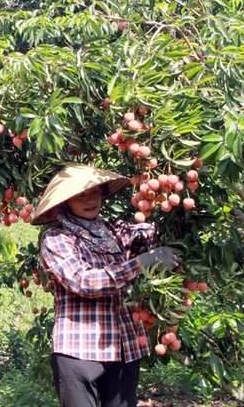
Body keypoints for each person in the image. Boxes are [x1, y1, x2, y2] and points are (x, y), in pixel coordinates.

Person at [31, 163, 181, 407]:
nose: (89, 200)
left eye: (94, 192)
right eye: (80, 195)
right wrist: (141, 263)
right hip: (78, 350)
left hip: (123, 349)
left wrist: (177, 199)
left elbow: (155, 233)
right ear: (65, 202)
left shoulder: (114, 231)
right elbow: (83, 280)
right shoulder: (57, 239)